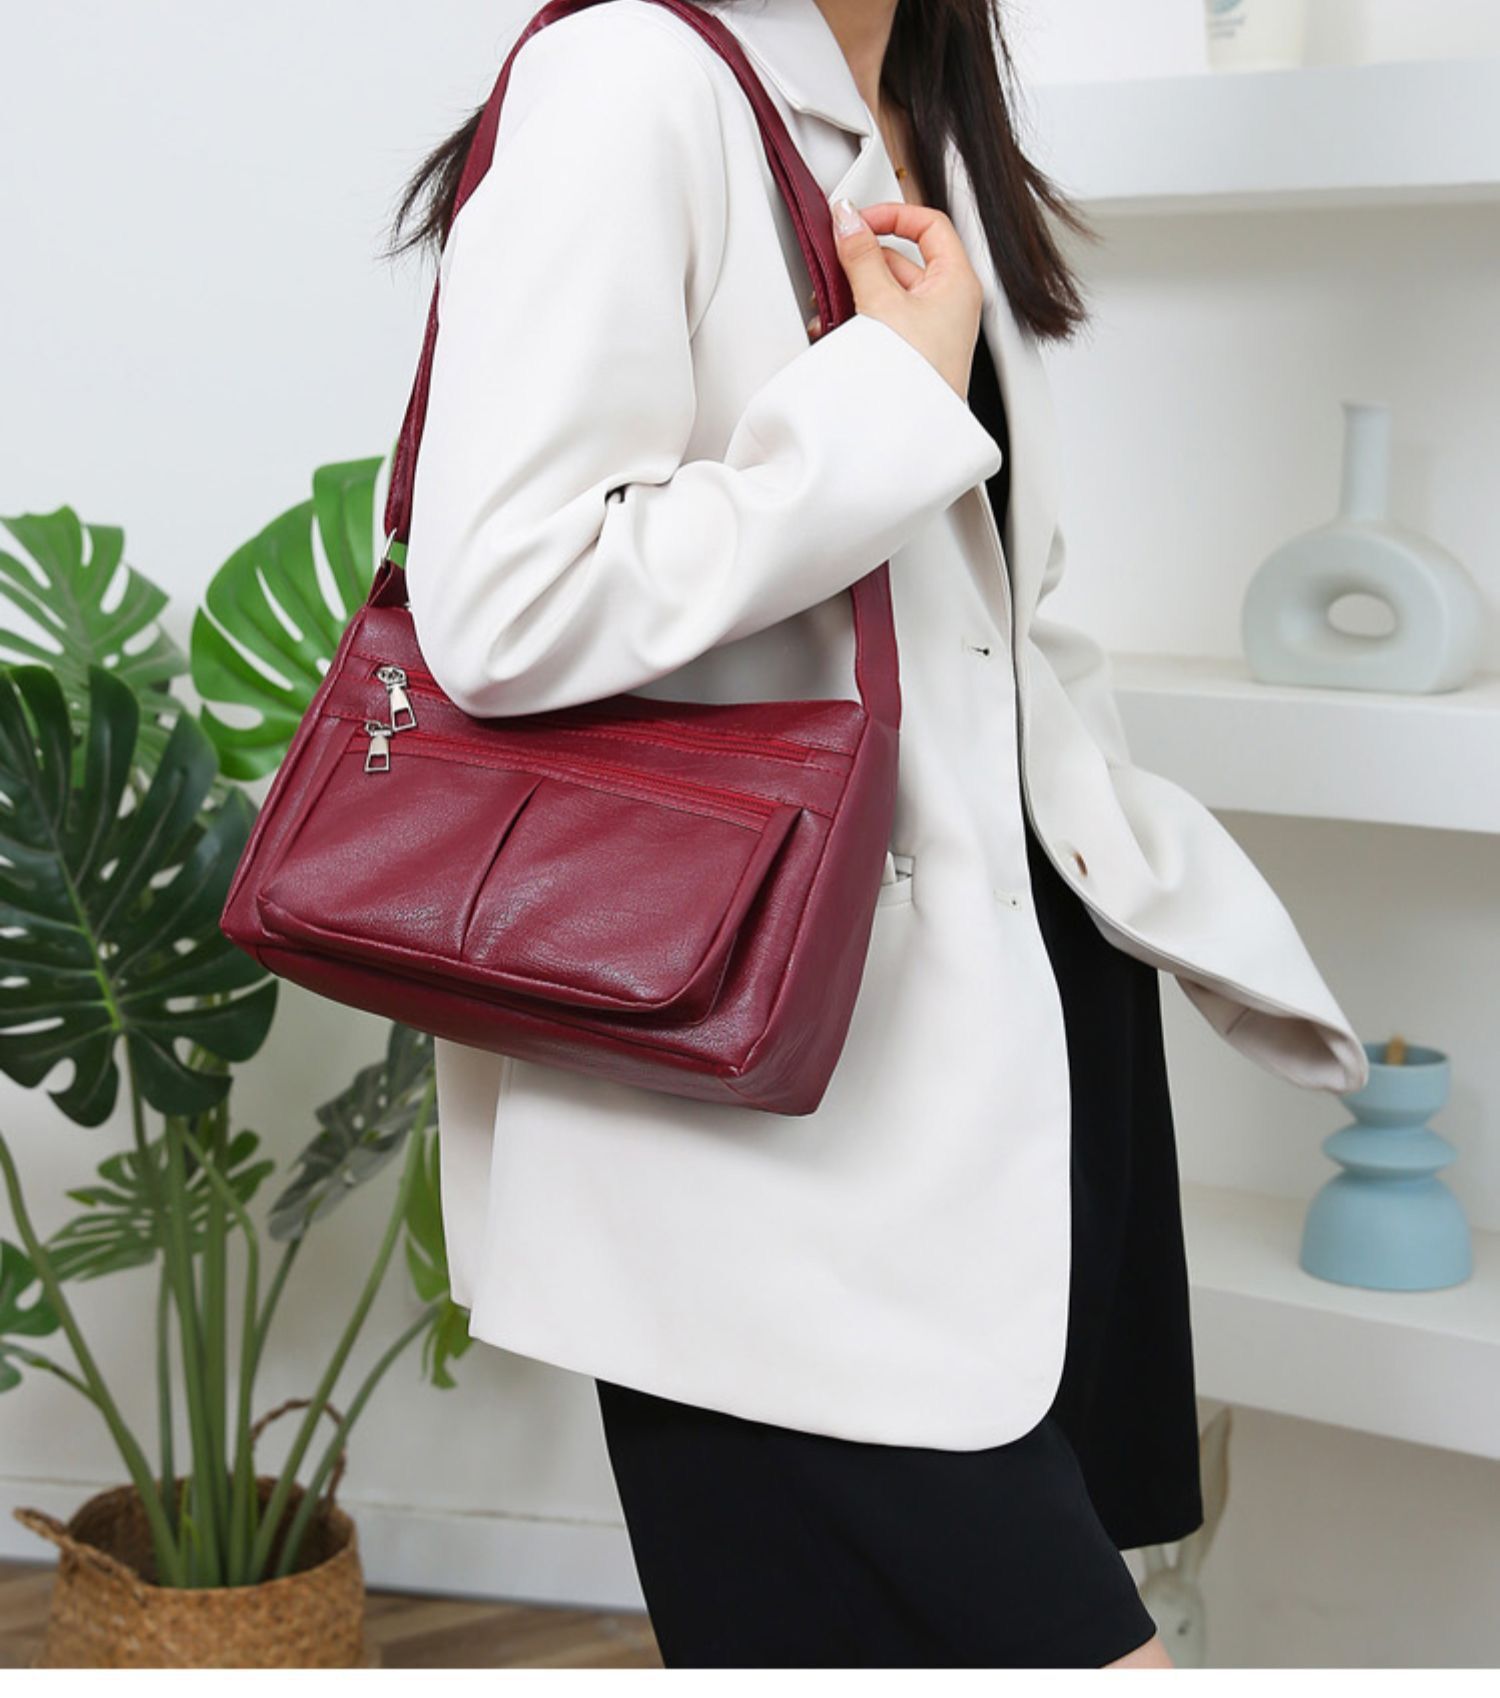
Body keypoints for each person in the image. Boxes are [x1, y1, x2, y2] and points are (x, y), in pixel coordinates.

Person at [387, 0, 1367, 1669]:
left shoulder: (916, 104)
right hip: (771, 1087)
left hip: (1027, 1043)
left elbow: (998, 612)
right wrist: (882, 400)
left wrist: (1149, 878)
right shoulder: (630, 76)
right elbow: (505, 605)